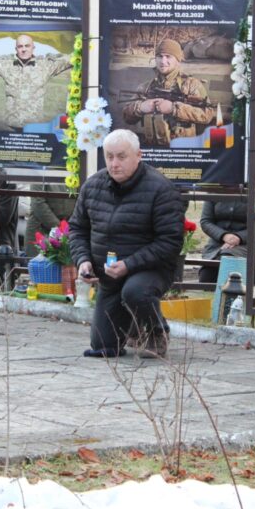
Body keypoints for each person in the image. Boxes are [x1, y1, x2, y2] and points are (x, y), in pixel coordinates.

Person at [68, 129, 185, 359]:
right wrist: (83, 260)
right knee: (103, 346)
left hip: (150, 269)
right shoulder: (93, 186)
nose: (114, 164)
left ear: (139, 155)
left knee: (135, 292)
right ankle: (131, 325)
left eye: (121, 157)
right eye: (109, 156)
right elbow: (78, 228)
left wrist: (129, 265)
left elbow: (170, 242)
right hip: (109, 274)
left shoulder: (161, 189)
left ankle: (156, 331)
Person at [121, 39, 215, 147]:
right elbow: (126, 117)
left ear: (178, 60)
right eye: (160, 56)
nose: (163, 61)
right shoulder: (146, 87)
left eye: (168, 56)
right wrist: (141, 107)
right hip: (153, 149)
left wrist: (174, 109)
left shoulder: (191, 85)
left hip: (182, 150)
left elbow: (207, 114)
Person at [0, 34, 71, 130]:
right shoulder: (6, 66)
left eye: (27, 46)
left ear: (33, 48)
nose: (24, 49)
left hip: (34, 128)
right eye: (20, 46)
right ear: (16, 49)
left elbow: (68, 60)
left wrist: (83, 43)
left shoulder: (45, 66)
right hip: (11, 127)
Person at [198, 193, 255, 284]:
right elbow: (206, 221)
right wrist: (224, 235)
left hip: (245, 243)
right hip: (217, 244)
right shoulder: (214, 191)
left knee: (227, 259)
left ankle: (242, 286)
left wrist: (239, 237)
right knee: (207, 277)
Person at [25, 182, 76, 258]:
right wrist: (60, 227)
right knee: (39, 266)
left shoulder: (74, 173)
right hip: (40, 229)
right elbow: (38, 204)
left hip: (67, 231)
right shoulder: (40, 173)